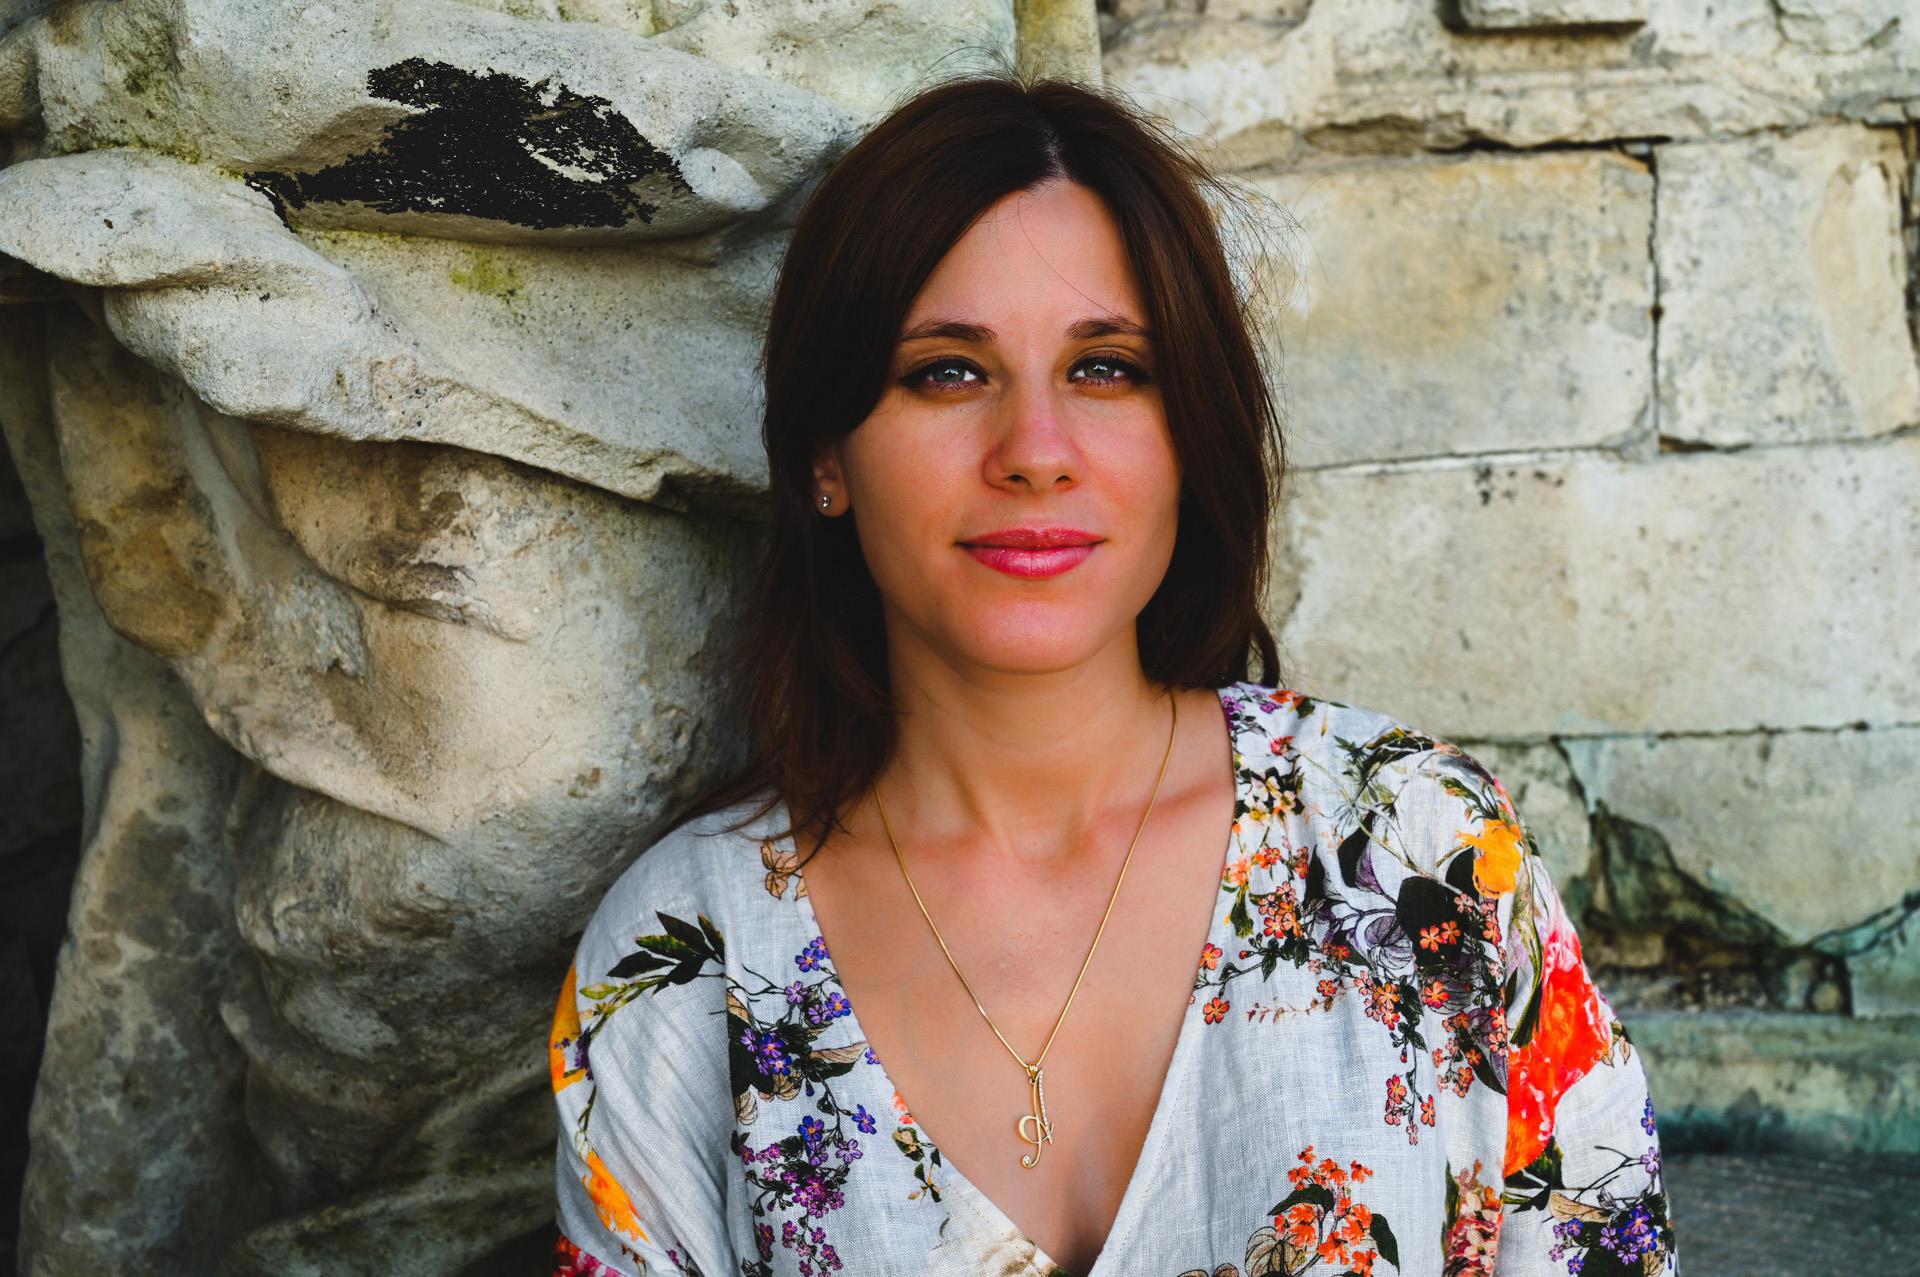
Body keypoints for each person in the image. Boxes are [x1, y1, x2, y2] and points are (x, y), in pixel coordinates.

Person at [547, 71, 1679, 1277]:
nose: (1035, 452)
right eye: (947, 370)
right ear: (826, 452)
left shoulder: (1419, 851)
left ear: (1190, 432)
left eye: (1107, 369)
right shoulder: (682, 963)